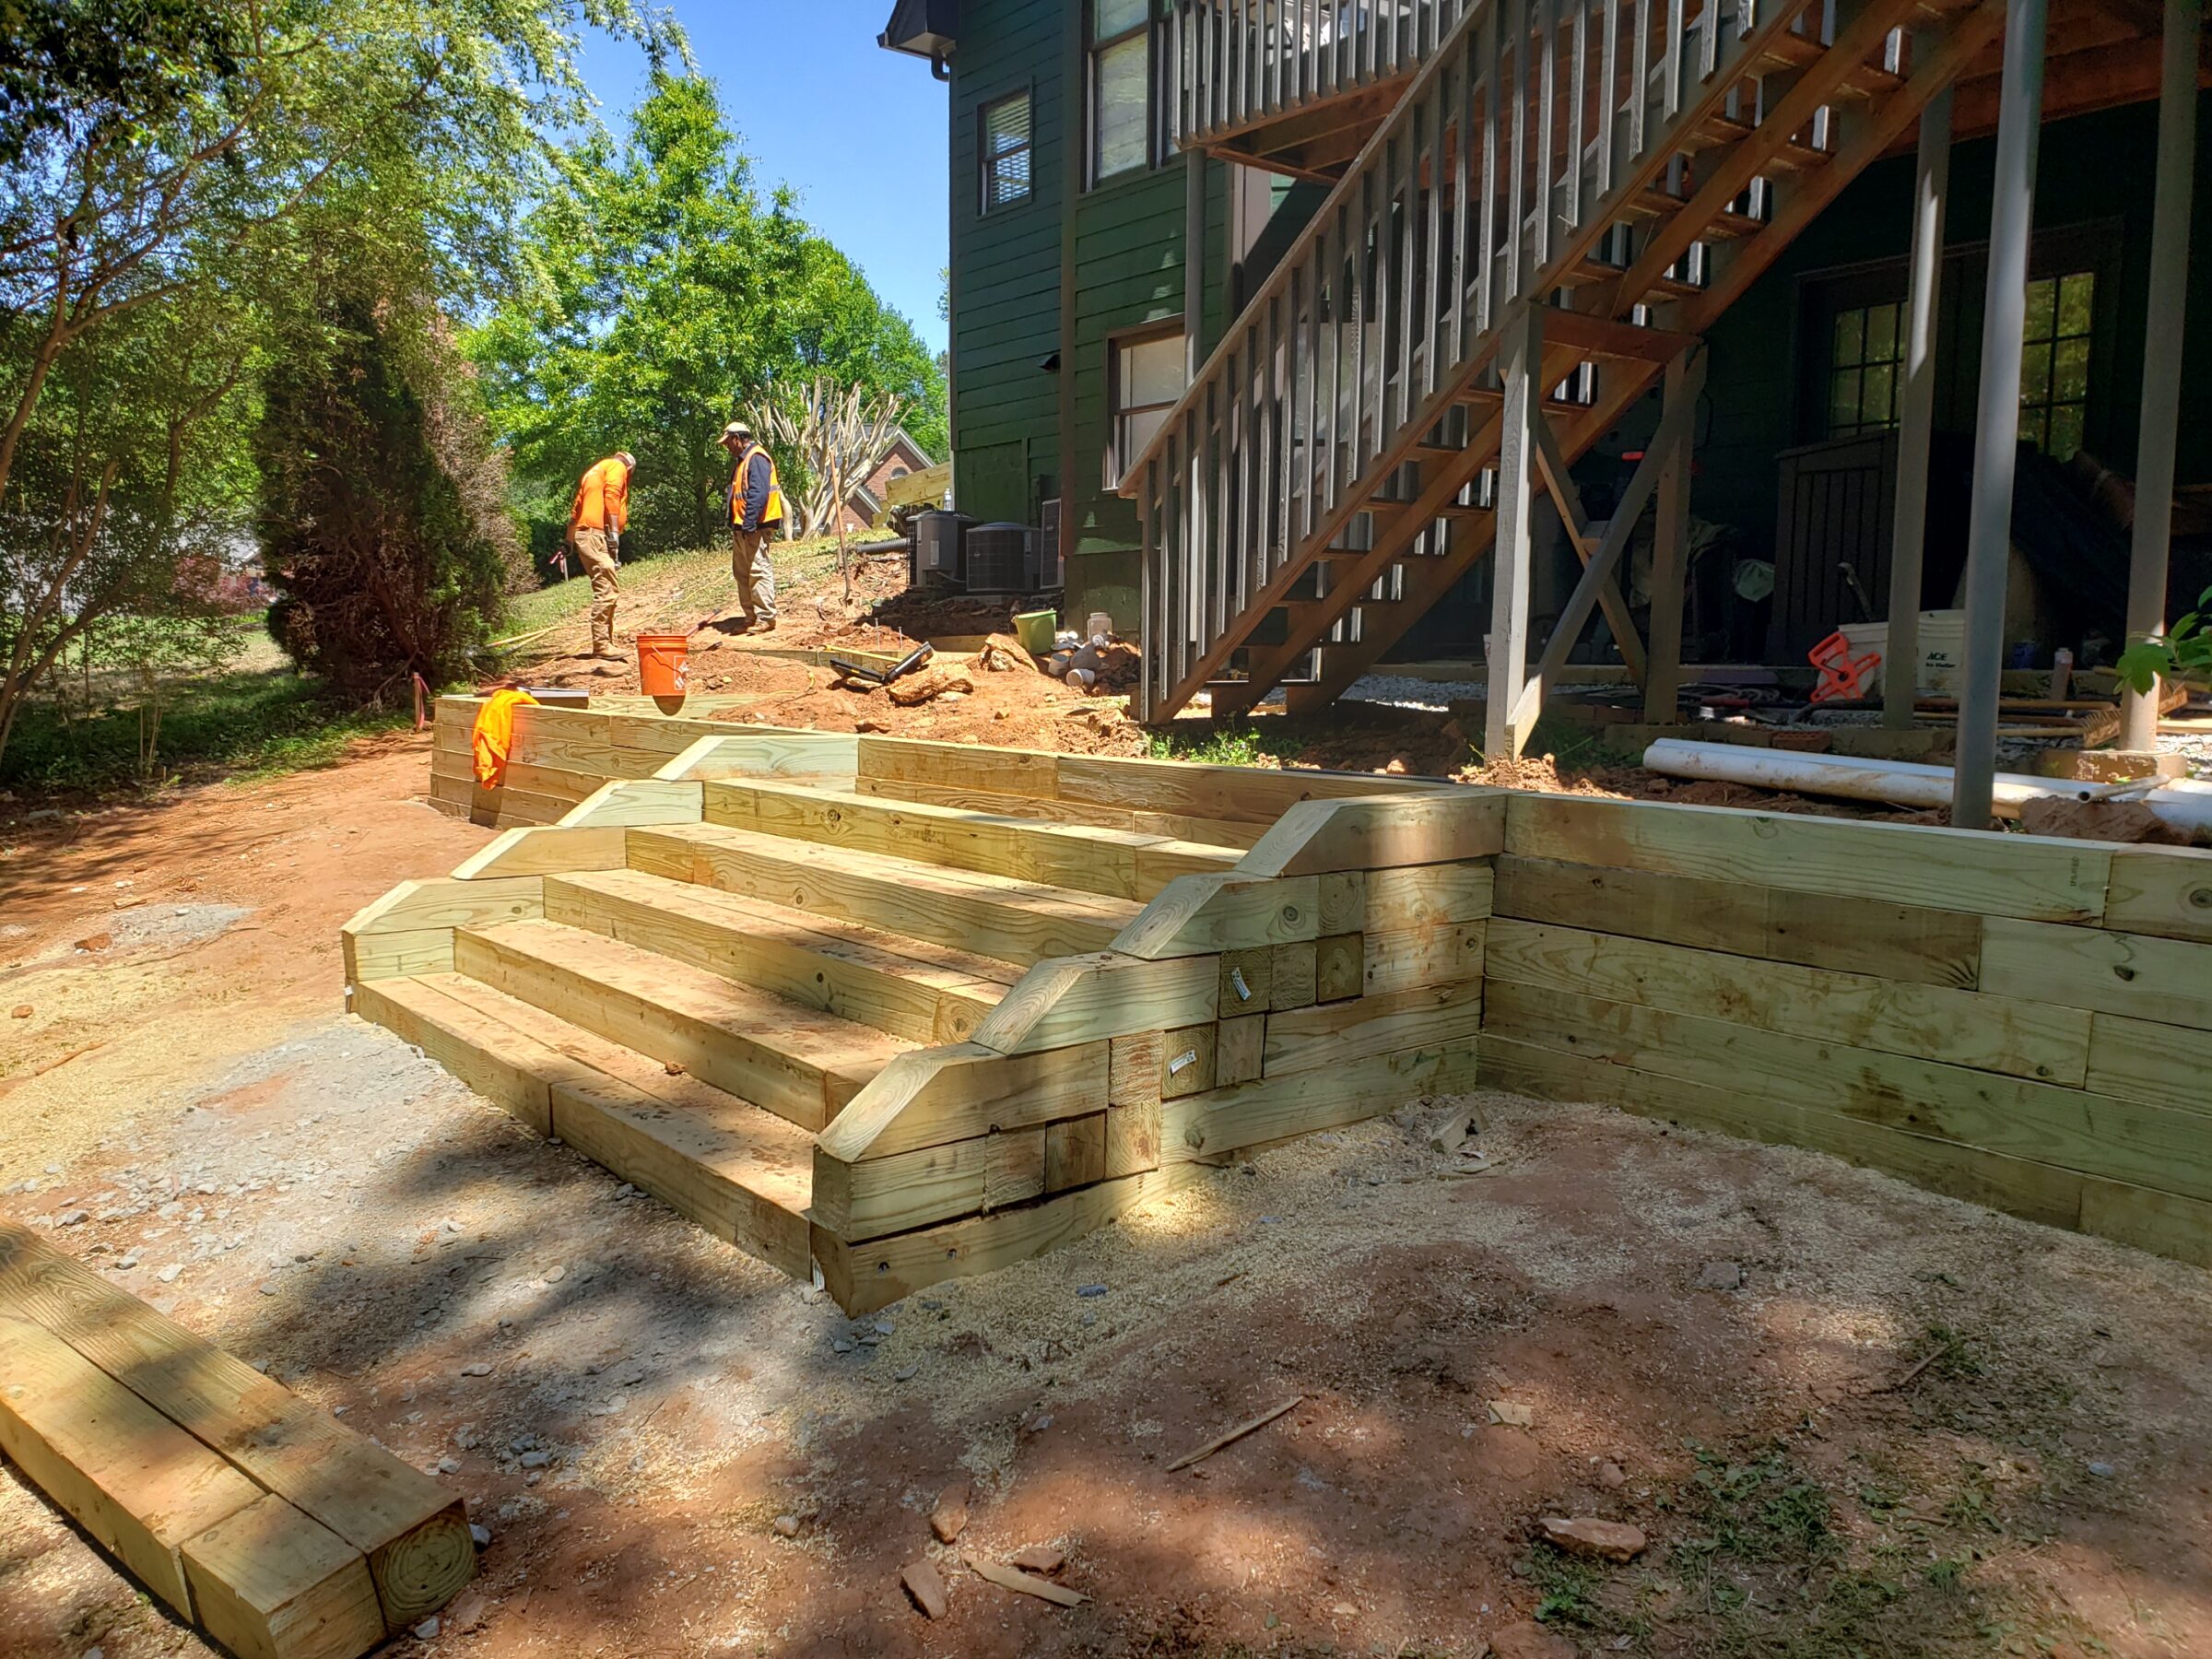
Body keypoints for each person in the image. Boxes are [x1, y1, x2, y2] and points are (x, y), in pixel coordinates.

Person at [568, 451, 634, 662]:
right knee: (607, 590)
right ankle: (602, 645)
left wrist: (568, 541)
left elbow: (576, 510)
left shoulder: (592, 473)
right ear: (629, 468)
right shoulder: (617, 466)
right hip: (594, 535)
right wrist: (614, 532)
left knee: (608, 588)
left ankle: (607, 642)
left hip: (586, 535)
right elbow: (612, 495)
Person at [718, 420, 782, 632]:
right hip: (742, 527)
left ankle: (766, 617)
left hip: (755, 526)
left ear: (737, 438)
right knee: (742, 573)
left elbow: (758, 493)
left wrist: (749, 523)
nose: (727, 447)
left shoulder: (757, 458)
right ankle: (750, 616)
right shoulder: (743, 460)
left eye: (728, 443)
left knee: (758, 570)